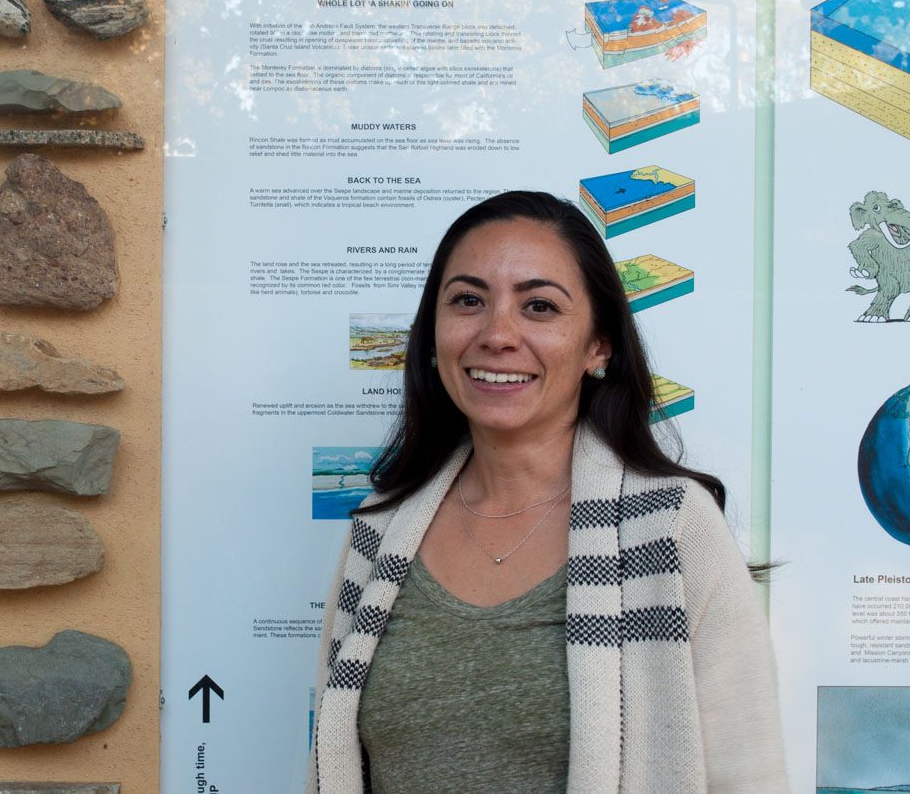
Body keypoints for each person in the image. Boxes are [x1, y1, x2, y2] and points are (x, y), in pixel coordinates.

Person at [307, 191, 787, 793]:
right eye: (467, 301)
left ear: (599, 346)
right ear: (433, 336)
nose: (497, 334)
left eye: (539, 306)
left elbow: (750, 776)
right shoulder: (380, 531)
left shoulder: (670, 526)